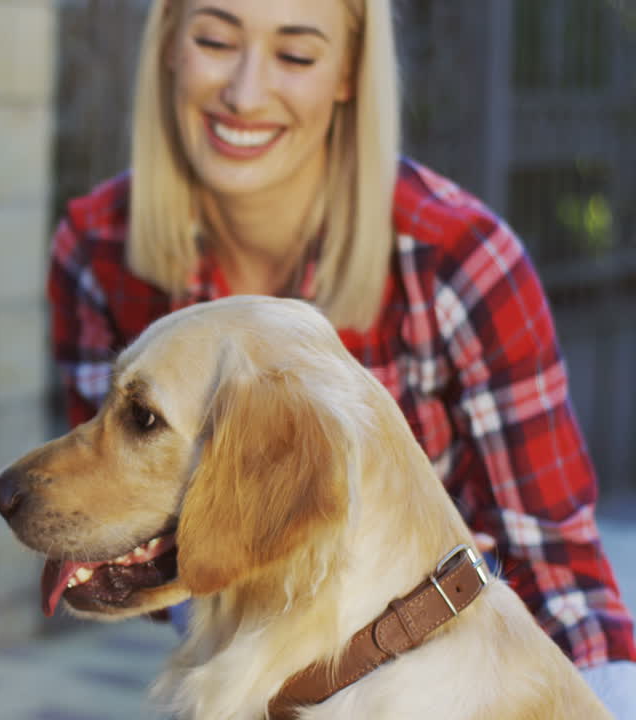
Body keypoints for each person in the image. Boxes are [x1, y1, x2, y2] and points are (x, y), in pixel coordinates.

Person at [47, 0, 636, 714]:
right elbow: (136, 522)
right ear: (168, 45)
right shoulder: (97, 247)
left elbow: (556, 568)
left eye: (295, 56)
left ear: (349, 75)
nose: (245, 91)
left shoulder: (461, 262)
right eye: (214, 40)